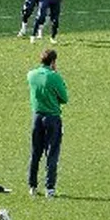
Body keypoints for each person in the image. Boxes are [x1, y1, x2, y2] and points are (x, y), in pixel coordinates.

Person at [27, 49, 68, 198]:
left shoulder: (31, 75)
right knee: (52, 153)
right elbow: (64, 98)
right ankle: (49, 188)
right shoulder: (54, 77)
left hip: (37, 117)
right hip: (52, 118)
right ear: (53, 61)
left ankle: (32, 186)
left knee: (35, 152)